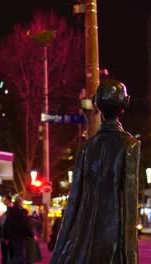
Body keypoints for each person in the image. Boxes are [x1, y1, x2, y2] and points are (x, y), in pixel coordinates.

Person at [51, 80, 140, 263]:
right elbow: (129, 210)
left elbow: (73, 203)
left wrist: (59, 250)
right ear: (126, 102)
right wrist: (131, 258)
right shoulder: (130, 145)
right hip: (112, 240)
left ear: (96, 104)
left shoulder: (86, 148)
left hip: (85, 237)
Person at [4, 197, 33, 264]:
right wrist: (30, 234)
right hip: (19, 236)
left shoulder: (11, 211)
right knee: (19, 255)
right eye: (22, 202)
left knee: (14, 254)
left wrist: (6, 236)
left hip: (12, 236)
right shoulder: (19, 211)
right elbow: (24, 224)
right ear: (20, 202)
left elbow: (6, 224)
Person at [0, 195, 13, 264]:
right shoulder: (7, 211)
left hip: (7, 238)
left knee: (6, 255)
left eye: (4, 200)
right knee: (6, 255)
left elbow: (8, 225)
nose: (3, 201)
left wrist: (6, 237)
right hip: (5, 237)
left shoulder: (11, 210)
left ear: (8, 200)